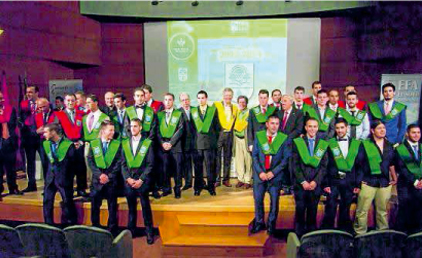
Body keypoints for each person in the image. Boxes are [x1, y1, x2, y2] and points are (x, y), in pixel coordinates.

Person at [354, 120, 397, 235]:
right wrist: (358, 183)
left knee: (382, 211)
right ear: (372, 131)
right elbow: (359, 165)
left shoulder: (390, 145)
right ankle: (360, 234)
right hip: (368, 182)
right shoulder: (365, 144)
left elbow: (392, 163)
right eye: (379, 128)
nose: (382, 130)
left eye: (383, 128)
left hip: (384, 183)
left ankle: (382, 234)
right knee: (362, 211)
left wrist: (394, 177)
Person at [250, 115, 290, 236]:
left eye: (277, 124)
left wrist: (273, 172)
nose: (274, 126)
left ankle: (271, 225)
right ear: (267, 124)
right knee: (258, 200)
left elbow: (285, 160)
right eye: (272, 123)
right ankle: (259, 222)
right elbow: (255, 156)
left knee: (274, 202)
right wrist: (261, 172)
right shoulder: (259, 136)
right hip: (260, 175)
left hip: (275, 176)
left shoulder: (283, 138)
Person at [321, 118, 363, 232]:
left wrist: (358, 184)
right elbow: (325, 165)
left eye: (342, 128)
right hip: (333, 181)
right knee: (330, 208)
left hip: (349, 182)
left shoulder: (356, 144)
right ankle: (326, 235)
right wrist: (325, 183)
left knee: (345, 209)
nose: (339, 130)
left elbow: (359, 166)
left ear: (347, 128)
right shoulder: (330, 143)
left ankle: (344, 236)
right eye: (337, 128)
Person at [292, 118, 329, 237]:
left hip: (315, 185)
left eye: (315, 126)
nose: (312, 129)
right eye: (310, 126)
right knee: (300, 211)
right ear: (306, 128)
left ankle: (311, 239)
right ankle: (298, 238)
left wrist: (315, 181)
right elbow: (294, 164)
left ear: (318, 128)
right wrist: (303, 181)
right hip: (300, 185)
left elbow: (324, 165)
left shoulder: (322, 144)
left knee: (313, 212)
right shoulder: (298, 142)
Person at [122, 119, 155, 244]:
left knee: (145, 207)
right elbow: (123, 164)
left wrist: (141, 179)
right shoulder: (125, 143)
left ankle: (149, 232)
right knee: (131, 208)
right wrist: (128, 178)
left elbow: (150, 164)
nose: (133, 129)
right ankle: (131, 231)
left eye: (135, 126)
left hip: (143, 181)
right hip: (129, 181)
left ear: (140, 128)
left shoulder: (147, 143)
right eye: (131, 126)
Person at [87, 120, 122, 234]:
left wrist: (109, 176)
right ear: (103, 131)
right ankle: (95, 227)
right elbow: (90, 161)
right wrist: (99, 175)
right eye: (110, 130)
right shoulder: (94, 144)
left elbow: (119, 162)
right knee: (95, 206)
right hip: (97, 181)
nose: (113, 132)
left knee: (112, 207)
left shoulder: (117, 144)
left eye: (113, 130)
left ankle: (111, 229)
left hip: (111, 181)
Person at [125, 87, 159, 198]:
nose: (140, 98)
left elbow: (154, 127)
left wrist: (147, 141)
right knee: (134, 165)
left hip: (147, 142)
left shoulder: (151, 110)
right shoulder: (128, 111)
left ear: (145, 97)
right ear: (134, 97)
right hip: (133, 142)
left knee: (150, 166)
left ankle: (153, 189)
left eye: (142, 96)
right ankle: (134, 187)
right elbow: (126, 127)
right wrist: (134, 139)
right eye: (137, 96)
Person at [42, 123, 77, 226]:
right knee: (47, 201)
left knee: (67, 202)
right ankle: (48, 225)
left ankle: (69, 226)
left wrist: (69, 179)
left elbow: (74, 165)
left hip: (64, 178)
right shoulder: (46, 144)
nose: (44, 134)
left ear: (53, 132)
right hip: (50, 178)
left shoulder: (68, 145)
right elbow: (45, 162)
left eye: (46, 132)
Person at [53, 93, 87, 197]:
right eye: (68, 100)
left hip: (79, 145)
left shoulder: (81, 114)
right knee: (68, 170)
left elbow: (85, 130)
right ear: (64, 102)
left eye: (72, 100)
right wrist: (69, 143)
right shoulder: (59, 115)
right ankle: (69, 190)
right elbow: (57, 132)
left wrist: (81, 141)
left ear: (76, 102)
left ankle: (81, 189)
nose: (70, 102)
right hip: (66, 147)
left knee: (81, 168)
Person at [191, 90, 221, 196]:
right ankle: (197, 188)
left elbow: (217, 127)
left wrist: (213, 140)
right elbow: (192, 129)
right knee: (198, 168)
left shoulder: (213, 110)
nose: (201, 100)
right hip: (197, 144)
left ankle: (211, 187)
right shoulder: (193, 111)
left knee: (210, 168)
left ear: (206, 98)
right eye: (199, 98)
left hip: (210, 144)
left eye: (202, 98)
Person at [395, 124, 422, 234]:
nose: (416, 135)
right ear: (407, 133)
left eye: (418, 132)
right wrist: (415, 181)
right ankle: (402, 238)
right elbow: (401, 168)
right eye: (413, 132)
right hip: (405, 185)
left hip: (420, 185)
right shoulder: (400, 149)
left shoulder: (421, 147)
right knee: (405, 211)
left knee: (419, 210)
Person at [157, 93, 184, 198]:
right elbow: (157, 131)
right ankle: (166, 189)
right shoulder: (159, 115)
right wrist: (162, 143)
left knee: (177, 169)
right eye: (166, 100)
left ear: (173, 101)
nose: (167, 102)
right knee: (165, 169)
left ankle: (177, 190)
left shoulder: (179, 114)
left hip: (175, 145)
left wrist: (171, 143)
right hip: (163, 146)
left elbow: (181, 129)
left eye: (170, 100)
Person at [82, 94, 110, 196]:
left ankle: (101, 188)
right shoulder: (85, 117)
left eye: (89, 102)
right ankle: (92, 189)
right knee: (89, 167)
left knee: (99, 167)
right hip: (87, 145)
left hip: (98, 145)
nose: (87, 104)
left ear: (96, 102)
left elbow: (107, 131)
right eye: (87, 103)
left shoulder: (104, 117)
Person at [214, 88, 238, 187]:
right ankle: (217, 179)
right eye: (226, 95)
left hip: (229, 135)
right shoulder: (216, 105)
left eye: (229, 95)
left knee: (227, 157)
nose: (227, 97)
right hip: (219, 135)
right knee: (217, 158)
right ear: (223, 96)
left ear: (232, 96)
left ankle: (226, 179)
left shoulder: (235, 107)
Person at [31, 98, 56, 191]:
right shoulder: (36, 116)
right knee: (45, 164)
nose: (42, 109)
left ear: (48, 104)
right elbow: (33, 130)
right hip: (42, 143)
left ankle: (56, 184)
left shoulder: (56, 114)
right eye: (40, 107)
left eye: (44, 107)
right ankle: (48, 186)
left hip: (54, 142)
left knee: (54, 163)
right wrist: (37, 131)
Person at [19, 85, 40, 194]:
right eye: (27, 92)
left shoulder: (43, 103)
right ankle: (31, 184)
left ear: (37, 93)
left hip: (41, 137)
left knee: (46, 161)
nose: (28, 94)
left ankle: (49, 185)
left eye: (31, 92)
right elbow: (21, 118)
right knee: (30, 162)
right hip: (29, 138)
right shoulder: (23, 104)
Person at [0, 91, 21, 195]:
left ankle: (13, 188)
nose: (2, 100)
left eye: (2, 98)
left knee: (11, 168)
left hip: (10, 142)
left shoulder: (10, 109)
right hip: (0, 142)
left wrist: (3, 117)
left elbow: (13, 124)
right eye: (0, 99)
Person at [233, 95, 252, 189]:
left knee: (248, 160)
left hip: (246, 139)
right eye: (240, 102)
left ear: (246, 103)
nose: (242, 104)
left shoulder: (249, 112)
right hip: (237, 138)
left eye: (243, 102)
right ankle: (240, 179)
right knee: (239, 160)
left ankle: (247, 180)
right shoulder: (236, 112)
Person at [179, 92, 195, 191]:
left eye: (187, 99)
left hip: (196, 142)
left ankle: (200, 182)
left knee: (198, 163)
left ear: (189, 100)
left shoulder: (195, 110)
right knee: (186, 164)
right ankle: (188, 183)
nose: (185, 102)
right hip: (184, 143)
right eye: (183, 100)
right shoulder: (178, 112)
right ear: (180, 102)